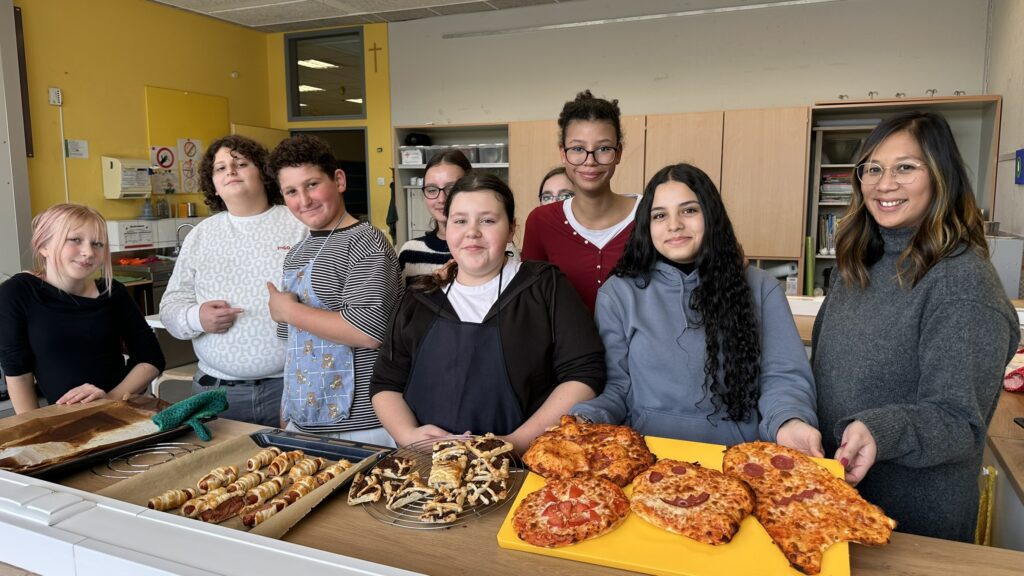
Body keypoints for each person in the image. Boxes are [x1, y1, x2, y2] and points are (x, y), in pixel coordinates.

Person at [812, 111, 1020, 542]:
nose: (884, 184)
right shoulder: (858, 262)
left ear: (941, 177)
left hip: (912, 520)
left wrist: (879, 430)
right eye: (873, 168)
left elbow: (959, 422)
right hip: (838, 498)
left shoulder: (962, 283)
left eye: (905, 167)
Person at [570, 164, 820, 452]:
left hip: (737, 460)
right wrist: (585, 418)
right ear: (646, 226)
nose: (674, 224)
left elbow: (783, 377)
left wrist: (790, 422)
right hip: (647, 460)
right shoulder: (619, 293)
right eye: (660, 215)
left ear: (711, 215)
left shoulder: (761, 287)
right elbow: (617, 389)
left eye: (689, 210)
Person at [371, 173, 605, 454]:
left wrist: (516, 443)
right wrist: (409, 435)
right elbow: (386, 383)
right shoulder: (418, 298)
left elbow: (584, 374)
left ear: (511, 229)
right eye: (460, 221)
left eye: (488, 220)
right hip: (429, 467)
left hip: (524, 465)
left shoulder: (544, 286)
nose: (472, 231)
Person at [160, 135, 307, 426]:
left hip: (289, 387)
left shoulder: (298, 225)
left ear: (264, 174)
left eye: (241, 163)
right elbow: (171, 305)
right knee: (218, 471)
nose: (230, 171)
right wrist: (196, 317)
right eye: (220, 168)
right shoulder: (201, 235)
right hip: (215, 390)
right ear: (212, 183)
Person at [268, 134, 402, 446]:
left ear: (338, 180)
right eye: (291, 191)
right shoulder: (297, 253)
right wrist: (287, 406)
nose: (304, 200)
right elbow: (295, 344)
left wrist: (288, 310)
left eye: (312, 184)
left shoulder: (366, 241)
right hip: (303, 418)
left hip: (360, 422)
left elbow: (369, 330)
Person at [0, 204, 165, 414]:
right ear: (44, 246)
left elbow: (151, 359)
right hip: (64, 419)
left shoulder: (113, 293)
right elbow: (18, 374)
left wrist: (109, 399)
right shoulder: (17, 292)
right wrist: (37, 429)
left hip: (123, 410)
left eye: (97, 244)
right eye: (75, 240)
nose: (88, 252)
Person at [522, 90, 640, 311]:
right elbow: (531, 303)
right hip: (565, 346)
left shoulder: (649, 214)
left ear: (619, 152)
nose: (590, 161)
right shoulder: (541, 221)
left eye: (603, 149)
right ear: (563, 153)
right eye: (577, 149)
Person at [397, 150, 472, 285]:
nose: (441, 199)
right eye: (432, 190)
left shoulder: (492, 248)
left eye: (452, 188)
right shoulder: (410, 251)